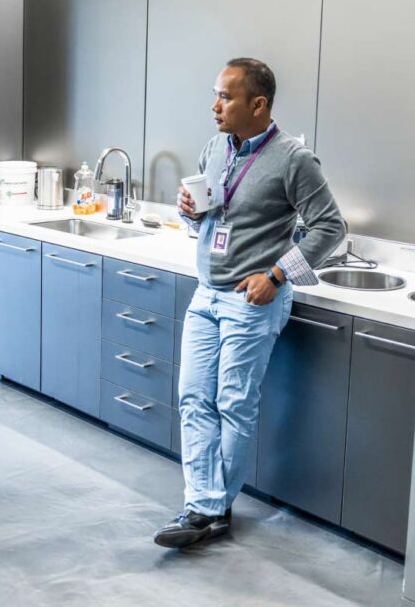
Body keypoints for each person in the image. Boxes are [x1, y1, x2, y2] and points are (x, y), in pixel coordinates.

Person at [153, 58, 345, 548]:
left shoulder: (294, 158)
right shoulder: (215, 148)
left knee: (233, 405)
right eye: (215, 94)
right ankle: (207, 504)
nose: (214, 105)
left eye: (226, 97)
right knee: (194, 396)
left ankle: (206, 510)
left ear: (258, 105)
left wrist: (278, 276)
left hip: (251, 300)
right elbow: (210, 221)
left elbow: (331, 227)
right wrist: (190, 214)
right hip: (207, 291)